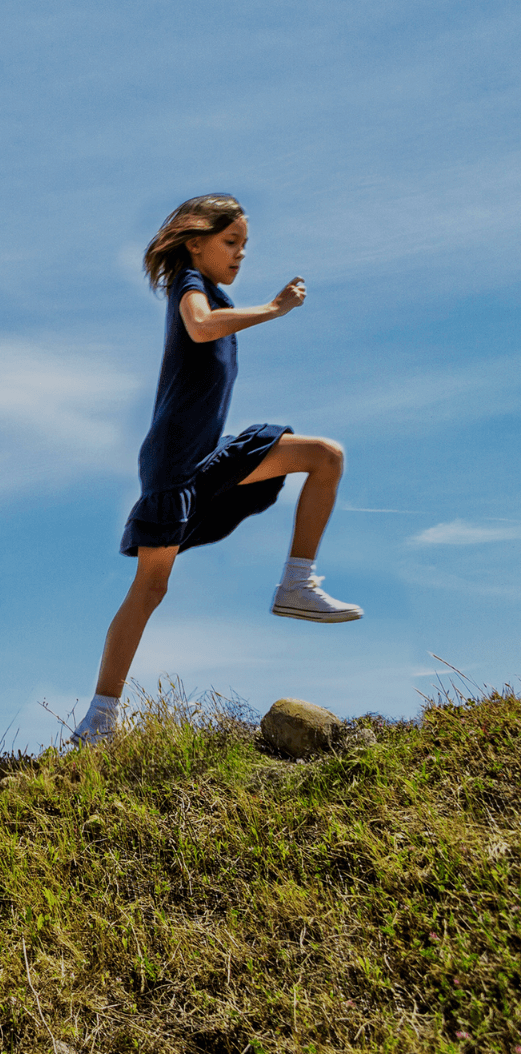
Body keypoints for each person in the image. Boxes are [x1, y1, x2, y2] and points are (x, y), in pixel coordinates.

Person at [74, 194, 361, 744]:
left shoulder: (215, 292)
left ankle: (296, 585)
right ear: (194, 243)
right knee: (150, 587)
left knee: (325, 456)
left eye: (245, 246)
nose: (240, 255)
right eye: (231, 243)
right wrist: (274, 309)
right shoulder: (190, 286)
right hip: (174, 463)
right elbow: (202, 328)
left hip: (207, 455)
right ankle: (99, 720)